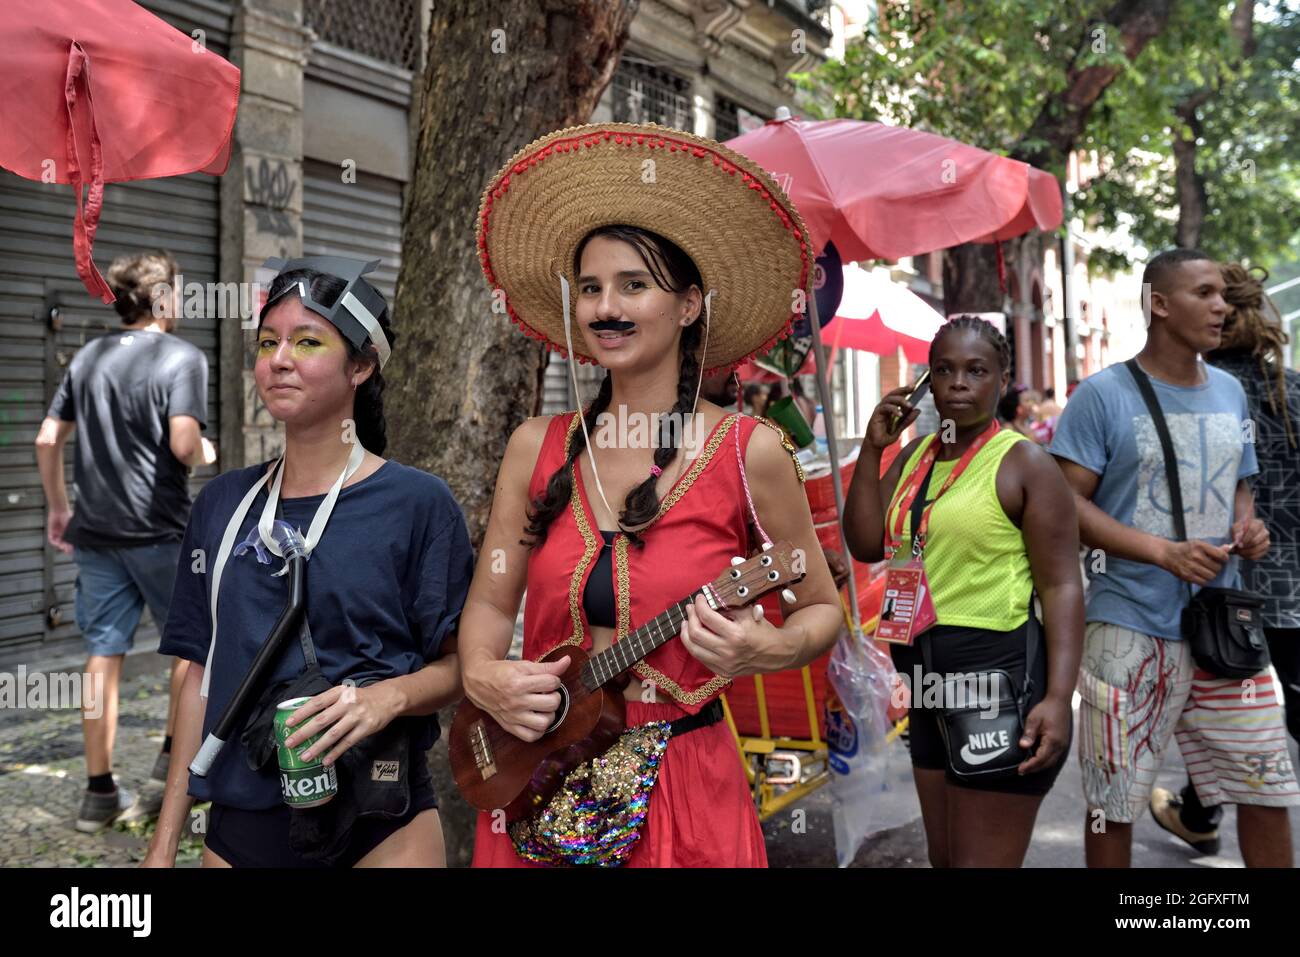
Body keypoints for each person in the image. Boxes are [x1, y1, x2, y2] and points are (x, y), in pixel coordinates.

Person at [462, 122, 842, 867]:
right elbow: (489, 601)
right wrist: (483, 675)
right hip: (537, 777)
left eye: (634, 285)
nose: (608, 307)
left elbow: (822, 607)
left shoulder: (749, 450)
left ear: (690, 305)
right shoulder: (532, 448)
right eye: (594, 288)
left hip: (682, 785)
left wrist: (772, 646)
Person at [141, 257, 473, 868]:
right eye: (268, 343)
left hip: (382, 815)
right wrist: (165, 843)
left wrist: (386, 699)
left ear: (362, 366)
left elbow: (464, 668)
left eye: (307, 341)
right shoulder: (221, 505)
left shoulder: (418, 505)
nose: (280, 359)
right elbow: (196, 676)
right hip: (242, 822)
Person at [1050, 248, 1297, 868]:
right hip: (1128, 627)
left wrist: (1249, 525)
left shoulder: (1231, 392)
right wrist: (1159, 551)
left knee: (1267, 790)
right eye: (1205, 293)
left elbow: (1240, 482)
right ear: (1159, 304)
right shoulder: (1102, 396)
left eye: (1223, 296)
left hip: (1226, 630)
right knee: (1114, 803)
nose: (1221, 307)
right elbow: (1062, 505)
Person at [843, 315, 1083, 868]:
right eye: (944, 370)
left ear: (1002, 381)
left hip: (997, 680)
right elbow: (865, 542)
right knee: (946, 859)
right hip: (924, 681)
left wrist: (1057, 699)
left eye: (976, 371)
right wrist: (873, 449)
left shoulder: (1024, 462)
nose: (957, 383)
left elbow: (1064, 584)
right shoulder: (914, 456)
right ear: (926, 382)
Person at [34, 250, 214, 832]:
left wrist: (60, 508)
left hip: (98, 534)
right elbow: (185, 443)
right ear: (163, 300)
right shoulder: (181, 357)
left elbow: (46, 439)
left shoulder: (88, 357)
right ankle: (171, 765)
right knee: (192, 648)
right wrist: (207, 453)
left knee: (102, 654)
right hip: (162, 532)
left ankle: (97, 792)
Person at [1152, 261, 1300, 853]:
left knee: (1219, 709)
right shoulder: (1288, 390)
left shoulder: (1194, 393)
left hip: (1217, 588)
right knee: (1248, 715)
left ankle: (1201, 814)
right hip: (1289, 589)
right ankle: (1200, 813)